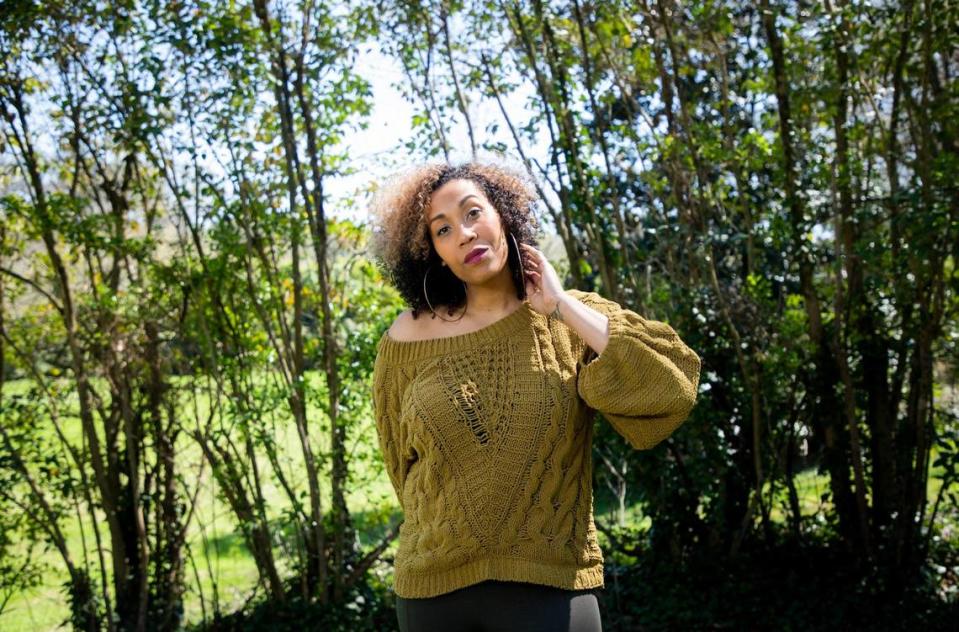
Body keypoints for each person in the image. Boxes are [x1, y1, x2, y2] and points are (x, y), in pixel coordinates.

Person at [368, 161, 701, 632]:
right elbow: (403, 469)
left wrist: (562, 305)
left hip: (551, 590)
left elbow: (671, 387)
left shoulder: (569, 317)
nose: (463, 234)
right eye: (442, 230)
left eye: (472, 213)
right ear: (434, 253)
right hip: (432, 594)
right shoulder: (404, 338)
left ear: (503, 214)